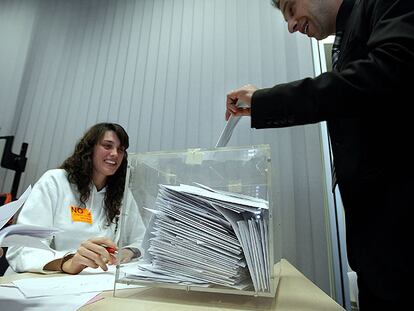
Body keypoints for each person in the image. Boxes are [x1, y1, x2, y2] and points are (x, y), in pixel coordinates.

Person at [226, 0, 413, 309]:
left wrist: (266, 101)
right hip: (379, 262)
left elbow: (383, 75)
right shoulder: (346, 35)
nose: (290, 24)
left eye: (290, 7)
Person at [6, 123, 145, 275]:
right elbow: (22, 248)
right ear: (90, 148)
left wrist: (128, 251)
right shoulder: (55, 181)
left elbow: (142, 241)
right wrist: (67, 261)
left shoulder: (122, 195)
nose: (115, 154)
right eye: (107, 146)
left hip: (92, 283)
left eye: (121, 149)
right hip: (39, 281)